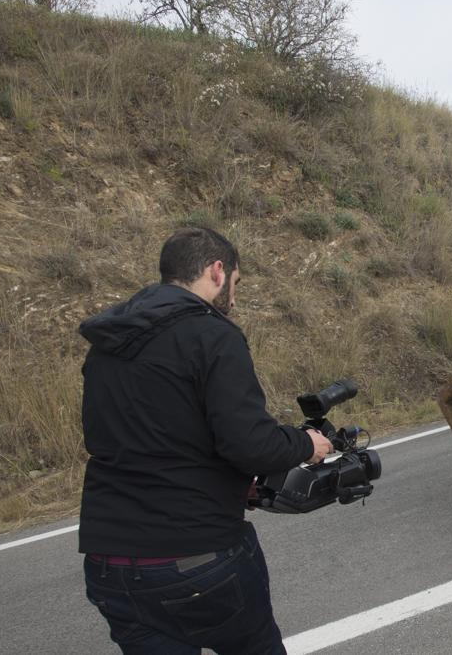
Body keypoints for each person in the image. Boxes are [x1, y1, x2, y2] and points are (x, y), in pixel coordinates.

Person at [78, 227, 333, 654]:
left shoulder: (107, 344)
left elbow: (133, 440)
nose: (233, 296)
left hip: (109, 566)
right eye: (235, 283)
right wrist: (307, 444)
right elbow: (249, 444)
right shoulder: (213, 335)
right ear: (217, 271)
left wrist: (229, 483)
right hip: (196, 558)